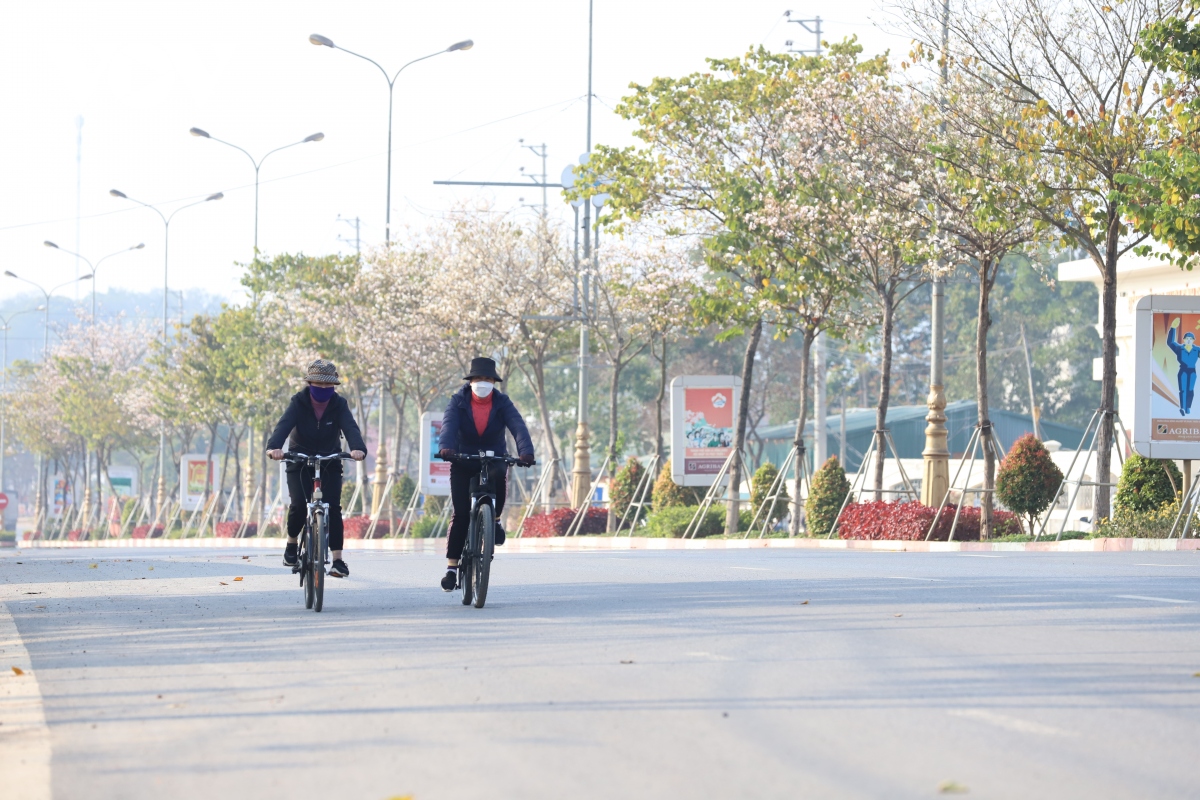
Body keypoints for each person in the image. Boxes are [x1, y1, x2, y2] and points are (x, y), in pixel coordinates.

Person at [436, 357, 535, 591]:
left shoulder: (502, 402)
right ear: (470, 381)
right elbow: (449, 424)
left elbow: (517, 426)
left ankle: (495, 520)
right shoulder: (459, 401)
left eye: (488, 379)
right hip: (463, 458)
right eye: (479, 379)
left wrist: (526, 452)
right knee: (460, 514)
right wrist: (446, 448)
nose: (483, 383)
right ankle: (451, 568)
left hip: (494, 456)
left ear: (494, 382)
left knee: (500, 474)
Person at [266, 359, 366, 579]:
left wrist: (358, 448)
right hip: (299, 459)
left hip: (330, 459)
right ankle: (292, 544)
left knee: (333, 507)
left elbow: (350, 427)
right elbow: (283, 425)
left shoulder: (339, 404)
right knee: (299, 505)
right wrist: (274, 447)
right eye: (318, 385)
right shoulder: (298, 402)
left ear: (334, 387)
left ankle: (338, 560)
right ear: (309, 383)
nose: (322, 390)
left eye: (327, 386)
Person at [1168, 318, 1200, 416]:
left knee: (1190, 389)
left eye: (1191, 339)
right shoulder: (1179, 348)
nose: (1189, 340)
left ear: (1193, 340)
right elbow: (1170, 343)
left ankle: (1188, 407)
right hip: (1183, 371)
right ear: (1184, 340)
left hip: (1192, 371)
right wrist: (1173, 328)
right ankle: (1182, 407)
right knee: (1183, 390)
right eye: (1187, 339)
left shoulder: (1197, 349)